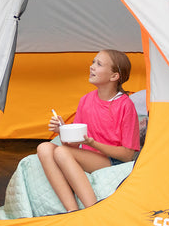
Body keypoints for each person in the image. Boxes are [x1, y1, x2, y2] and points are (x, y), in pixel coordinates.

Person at [37, 49, 140, 213]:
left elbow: (128, 155)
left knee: (62, 153)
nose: (92, 66)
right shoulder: (86, 100)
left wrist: (93, 143)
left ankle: (92, 212)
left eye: (98, 64)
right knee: (44, 148)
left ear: (114, 76)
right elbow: (73, 144)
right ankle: (71, 211)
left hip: (113, 161)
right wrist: (63, 130)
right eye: (93, 62)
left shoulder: (125, 105)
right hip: (88, 156)